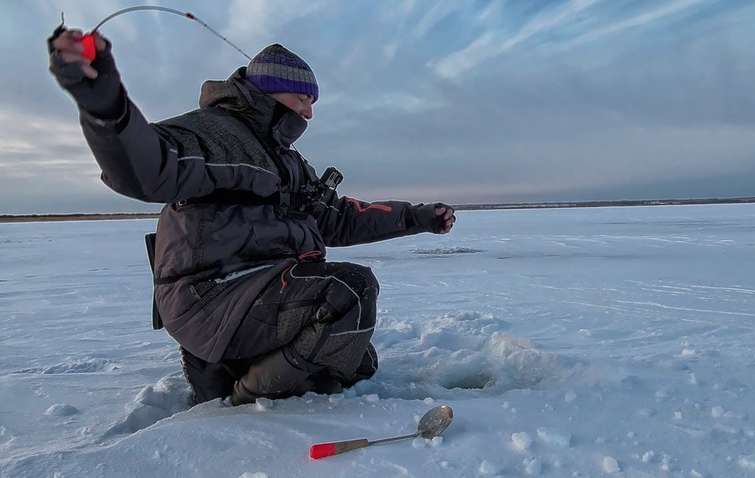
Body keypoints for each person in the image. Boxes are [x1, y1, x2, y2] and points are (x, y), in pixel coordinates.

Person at [48, 27, 455, 405]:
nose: (309, 114)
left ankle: (223, 372)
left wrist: (419, 217)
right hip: (212, 298)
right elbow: (148, 166)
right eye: (303, 100)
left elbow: (339, 218)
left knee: (356, 360)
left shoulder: (285, 159)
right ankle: (242, 402)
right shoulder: (215, 133)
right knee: (349, 291)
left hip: (259, 293)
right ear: (274, 92)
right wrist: (106, 106)